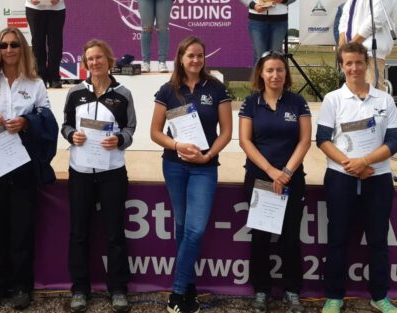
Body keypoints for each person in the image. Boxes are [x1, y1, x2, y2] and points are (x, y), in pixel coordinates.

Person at [0, 28, 58, 311]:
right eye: (4, 45)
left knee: (22, 228)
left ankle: (21, 287)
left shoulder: (35, 83)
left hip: (22, 164)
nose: (9, 50)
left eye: (14, 45)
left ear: (22, 49)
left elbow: (47, 117)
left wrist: (26, 122)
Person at [150, 36, 232, 313]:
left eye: (200, 55)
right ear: (181, 59)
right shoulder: (168, 90)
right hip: (174, 164)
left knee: (195, 229)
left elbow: (227, 133)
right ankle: (190, 287)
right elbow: (155, 132)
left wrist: (208, 155)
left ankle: (177, 290)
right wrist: (176, 145)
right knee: (183, 227)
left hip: (205, 167)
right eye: (190, 56)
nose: (195, 60)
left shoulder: (217, 88)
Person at [316, 42, 397, 313]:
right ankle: (334, 297)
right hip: (341, 176)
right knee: (338, 238)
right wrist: (351, 164)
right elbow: (323, 139)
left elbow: (394, 140)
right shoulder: (332, 99)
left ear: (367, 64)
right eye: (348, 63)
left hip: (378, 176)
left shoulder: (384, 100)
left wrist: (365, 161)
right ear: (341, 66)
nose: (354, 68)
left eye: (358, 62)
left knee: (378, 240)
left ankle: (379, 296)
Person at [61, 39, 136, 313]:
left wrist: (119, 139)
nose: (94, 63)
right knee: (79, 233)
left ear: (109, 60)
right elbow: (66, 125)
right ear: (85, 63)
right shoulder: (75, 93)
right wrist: (72, 135)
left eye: (99, 58)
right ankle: (80, 289)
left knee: (114, 233)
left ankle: (118, 289)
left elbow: (130, 129)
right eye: (90, 59)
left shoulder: (123, 94)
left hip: (112, 172)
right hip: (80, 171)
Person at [238, 52, 311, 313]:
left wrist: (287, 171)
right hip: (260, 178)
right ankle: (261, 290)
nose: (275, 75)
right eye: (269, 70)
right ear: (261, 73)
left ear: (286, 74)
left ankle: (292, 291)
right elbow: (245, 141)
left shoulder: (298, 102)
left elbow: (304, 141)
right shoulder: (250, 103)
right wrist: (271, 171)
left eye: (280, 70)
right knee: (260, 236)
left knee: (290, 238)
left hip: (291, 179)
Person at [337, 0, 396, 89]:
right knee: (354, 94)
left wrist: (353, 44)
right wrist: (342, 41)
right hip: (352, 51)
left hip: (370, 51)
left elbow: (376, 19)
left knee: (372, 95)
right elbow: (346, 14)